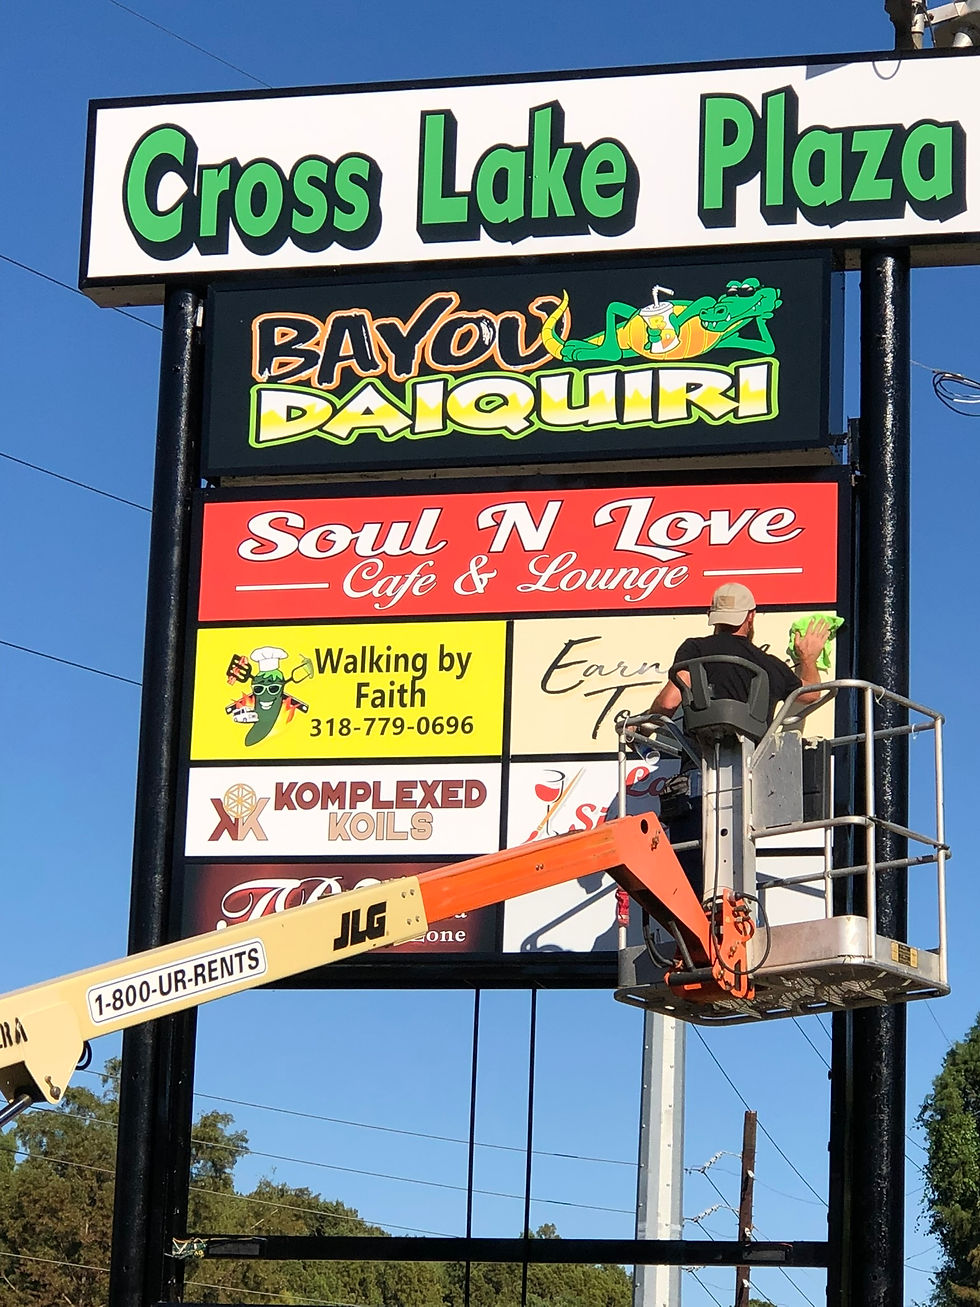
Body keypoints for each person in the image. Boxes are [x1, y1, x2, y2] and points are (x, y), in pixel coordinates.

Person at [648, 582, 830, 722]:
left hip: (700, 763)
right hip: (755, 766)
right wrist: (808, 659)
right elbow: (811, 694)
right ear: (751, 615)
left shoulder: (695, 649)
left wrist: (642, 726)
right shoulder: (770, 664)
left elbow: (668, 703)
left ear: (710, 614)